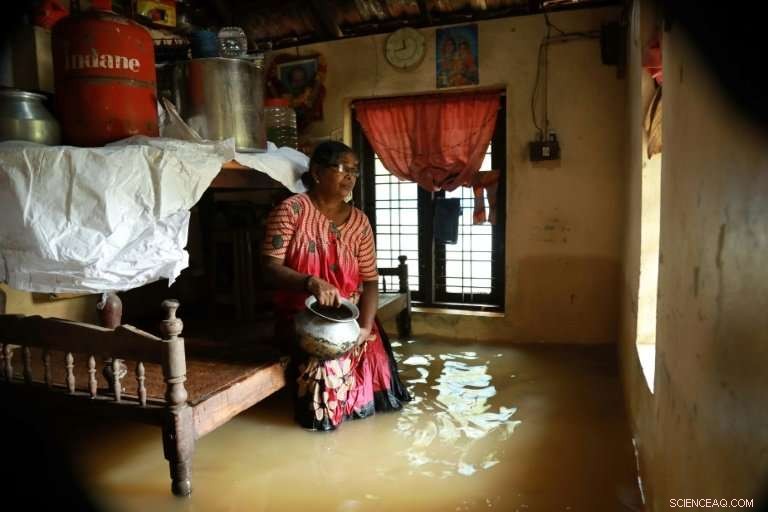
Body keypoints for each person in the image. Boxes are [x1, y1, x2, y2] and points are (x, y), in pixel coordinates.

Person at [262, 141, 411, 431]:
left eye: (355, 171)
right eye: (343, 169)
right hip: (302, 318)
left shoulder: (360, 223)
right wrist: (309, 282)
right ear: (317, 172)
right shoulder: (291, 211)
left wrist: (365, 329)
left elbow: (370, 282)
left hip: (352, 319)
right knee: (320, 404)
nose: (351, 177)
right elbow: (269, 268)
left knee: (377, 398)